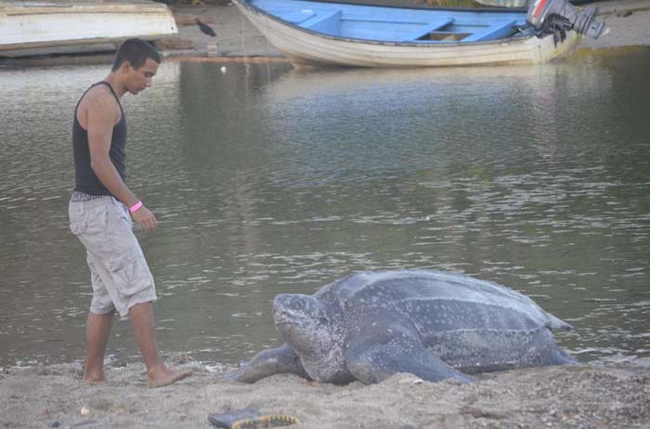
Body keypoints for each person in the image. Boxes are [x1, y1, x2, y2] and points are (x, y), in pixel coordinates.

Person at [68, 38, 192, 388]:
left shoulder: (105, 98)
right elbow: (99, 162)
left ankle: (92, 374)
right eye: (146, 75)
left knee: (106, 296)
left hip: (94, 210)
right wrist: (135, 206)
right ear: (126, 67)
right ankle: (156, 370)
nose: (148, 83)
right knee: (139, 286)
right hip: (98, 210)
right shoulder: (102, 101)